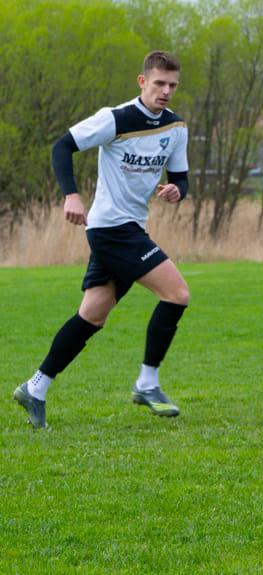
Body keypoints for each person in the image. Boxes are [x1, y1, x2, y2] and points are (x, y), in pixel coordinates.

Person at [13, 51, 191, 428]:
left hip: (131, 228)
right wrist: (71, 195)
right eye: (159, 83)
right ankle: (147, 382)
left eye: (172, 85)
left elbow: (181, 177)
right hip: (111, 228)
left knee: (92, 314)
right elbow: (62, 146)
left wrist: (177, 190)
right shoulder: (116, 118)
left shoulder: (176, 128)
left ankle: (35, 387)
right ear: (142, 82)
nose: (166, 91)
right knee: (176, 293)